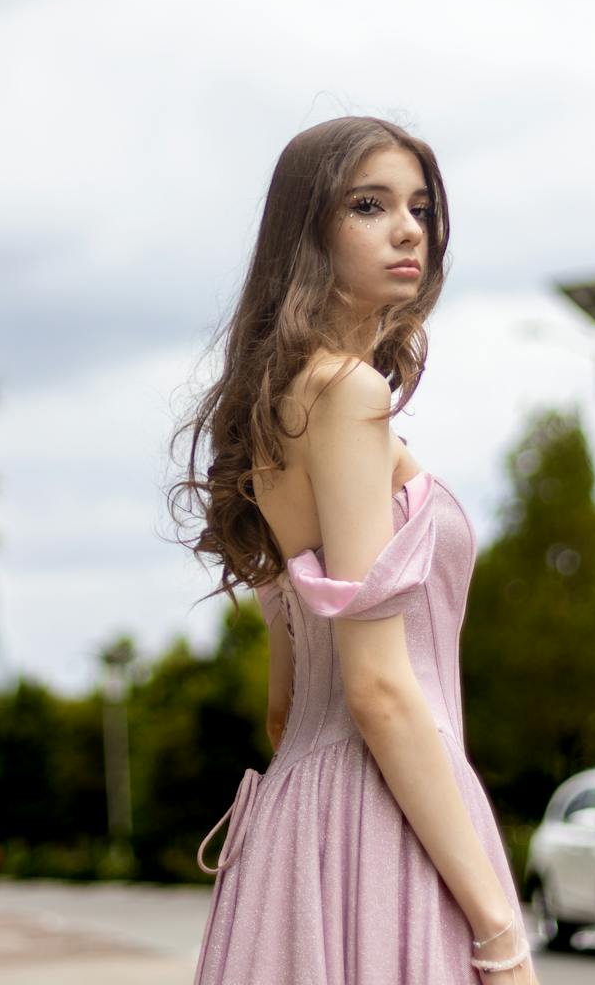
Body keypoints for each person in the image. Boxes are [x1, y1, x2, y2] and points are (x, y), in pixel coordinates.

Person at [170, 117, 536, 984]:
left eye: (419, 207)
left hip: (302, 827)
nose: (409, 228)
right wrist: (498, 932)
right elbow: (376, 687)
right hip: (387, 817)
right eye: (369, 205)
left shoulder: (273, 408)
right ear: (308, 234)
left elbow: (286, 704)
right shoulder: (348, 395)